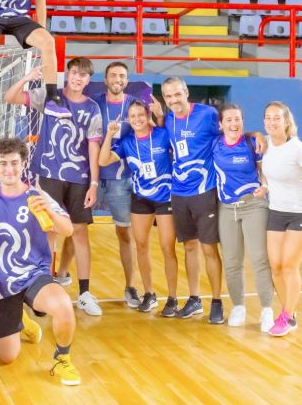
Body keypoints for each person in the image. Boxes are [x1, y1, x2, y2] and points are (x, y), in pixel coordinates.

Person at [4, 58, 103, 316]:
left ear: (88, 79)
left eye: (83, 75)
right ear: (66, 75)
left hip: (80, 179)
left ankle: (84, 293)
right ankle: (44, 287)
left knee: (79, 233)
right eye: (74, 73)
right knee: (48, 233)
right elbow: (10, 97)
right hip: (48, 175)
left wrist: (94, 183)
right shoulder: (49, 97)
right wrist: (27, 79)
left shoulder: (92, 108)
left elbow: (94, 147)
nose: (78, 78)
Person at [0, 137, 79, 385]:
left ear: (24, 164)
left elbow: (68, 230)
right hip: (0, 281)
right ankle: (21, 320)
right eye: (3, 163)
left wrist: (49, 208)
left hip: (34, 274)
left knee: (64, 306)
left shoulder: (38, 196)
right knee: (7, 357)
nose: (9, 169)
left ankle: (63, 361)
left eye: (15, 163)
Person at [99, 100, 179, 317]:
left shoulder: (163, 135)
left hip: (165, 196)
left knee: (166, 247)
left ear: (147, 115)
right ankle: (149, 293)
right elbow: (103, 160)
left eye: (140, 115)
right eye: (132, 116)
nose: (137, 120)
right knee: (141, 246)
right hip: (141, 199)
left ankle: (172, 299)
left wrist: (161, 117)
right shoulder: (126, 142)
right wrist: (109, 134)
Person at [160, 77, 225, 323]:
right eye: (168, 96)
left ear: (186, 93)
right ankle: (195, 298)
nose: (174, 100)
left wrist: (254, 135)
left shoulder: (207, 114)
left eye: (177, 94)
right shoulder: (168, 120)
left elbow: (229, 132)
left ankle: (217, 301)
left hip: (204, 190)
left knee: (209, 247)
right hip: (179, 193)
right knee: (189, 246)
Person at [212, 103, 274, 332]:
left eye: (237, 119)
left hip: (254, 205)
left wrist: (265, 186)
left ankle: (267, 309)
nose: (233, 123)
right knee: (231, 261)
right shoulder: (214, 145)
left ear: (242, 122)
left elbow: (263, 173)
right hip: (226, 208)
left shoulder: (252, 143)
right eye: (228, 120)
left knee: (259, 259)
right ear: (220, 124)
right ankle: (238, 306)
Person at [91, 61, 140, 307]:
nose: (117, 79)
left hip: (121, 178)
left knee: (124, 233)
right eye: (113, 75)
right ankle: (63, 274)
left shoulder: (134, 106)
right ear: (106, 78)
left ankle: (130, 286)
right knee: (76, 228)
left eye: (121, 75)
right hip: (91, 177)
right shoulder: (94, 103)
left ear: (127, 80)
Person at [261, 101, 302, 337]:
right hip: (276, 212)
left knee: (289, 265)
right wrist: (264, 185)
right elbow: (267, 171)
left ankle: (288, 317)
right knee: (276, 267)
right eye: (268, 118)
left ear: (286, 121)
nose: (272, 122)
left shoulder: (299, 149)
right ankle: (286, 310)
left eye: (277, 118)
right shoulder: (265, 143)